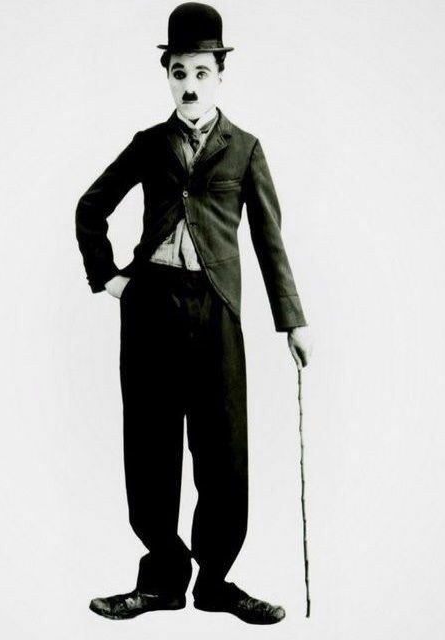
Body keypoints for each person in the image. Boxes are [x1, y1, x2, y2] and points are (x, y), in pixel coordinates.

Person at [75, 1, 310, 625]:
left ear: (219, 76)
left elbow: (269, 241)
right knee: (150, 447)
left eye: (202, 73)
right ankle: (160, 581)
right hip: (150, 308)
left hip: (216, 311)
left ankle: (215, 583)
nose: (190, 84)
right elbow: (90, 207)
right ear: (168, 75)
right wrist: (109, 279)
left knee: (224, 450)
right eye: (179, 72)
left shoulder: (246, 150)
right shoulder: (149, 145)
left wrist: (293, 320)